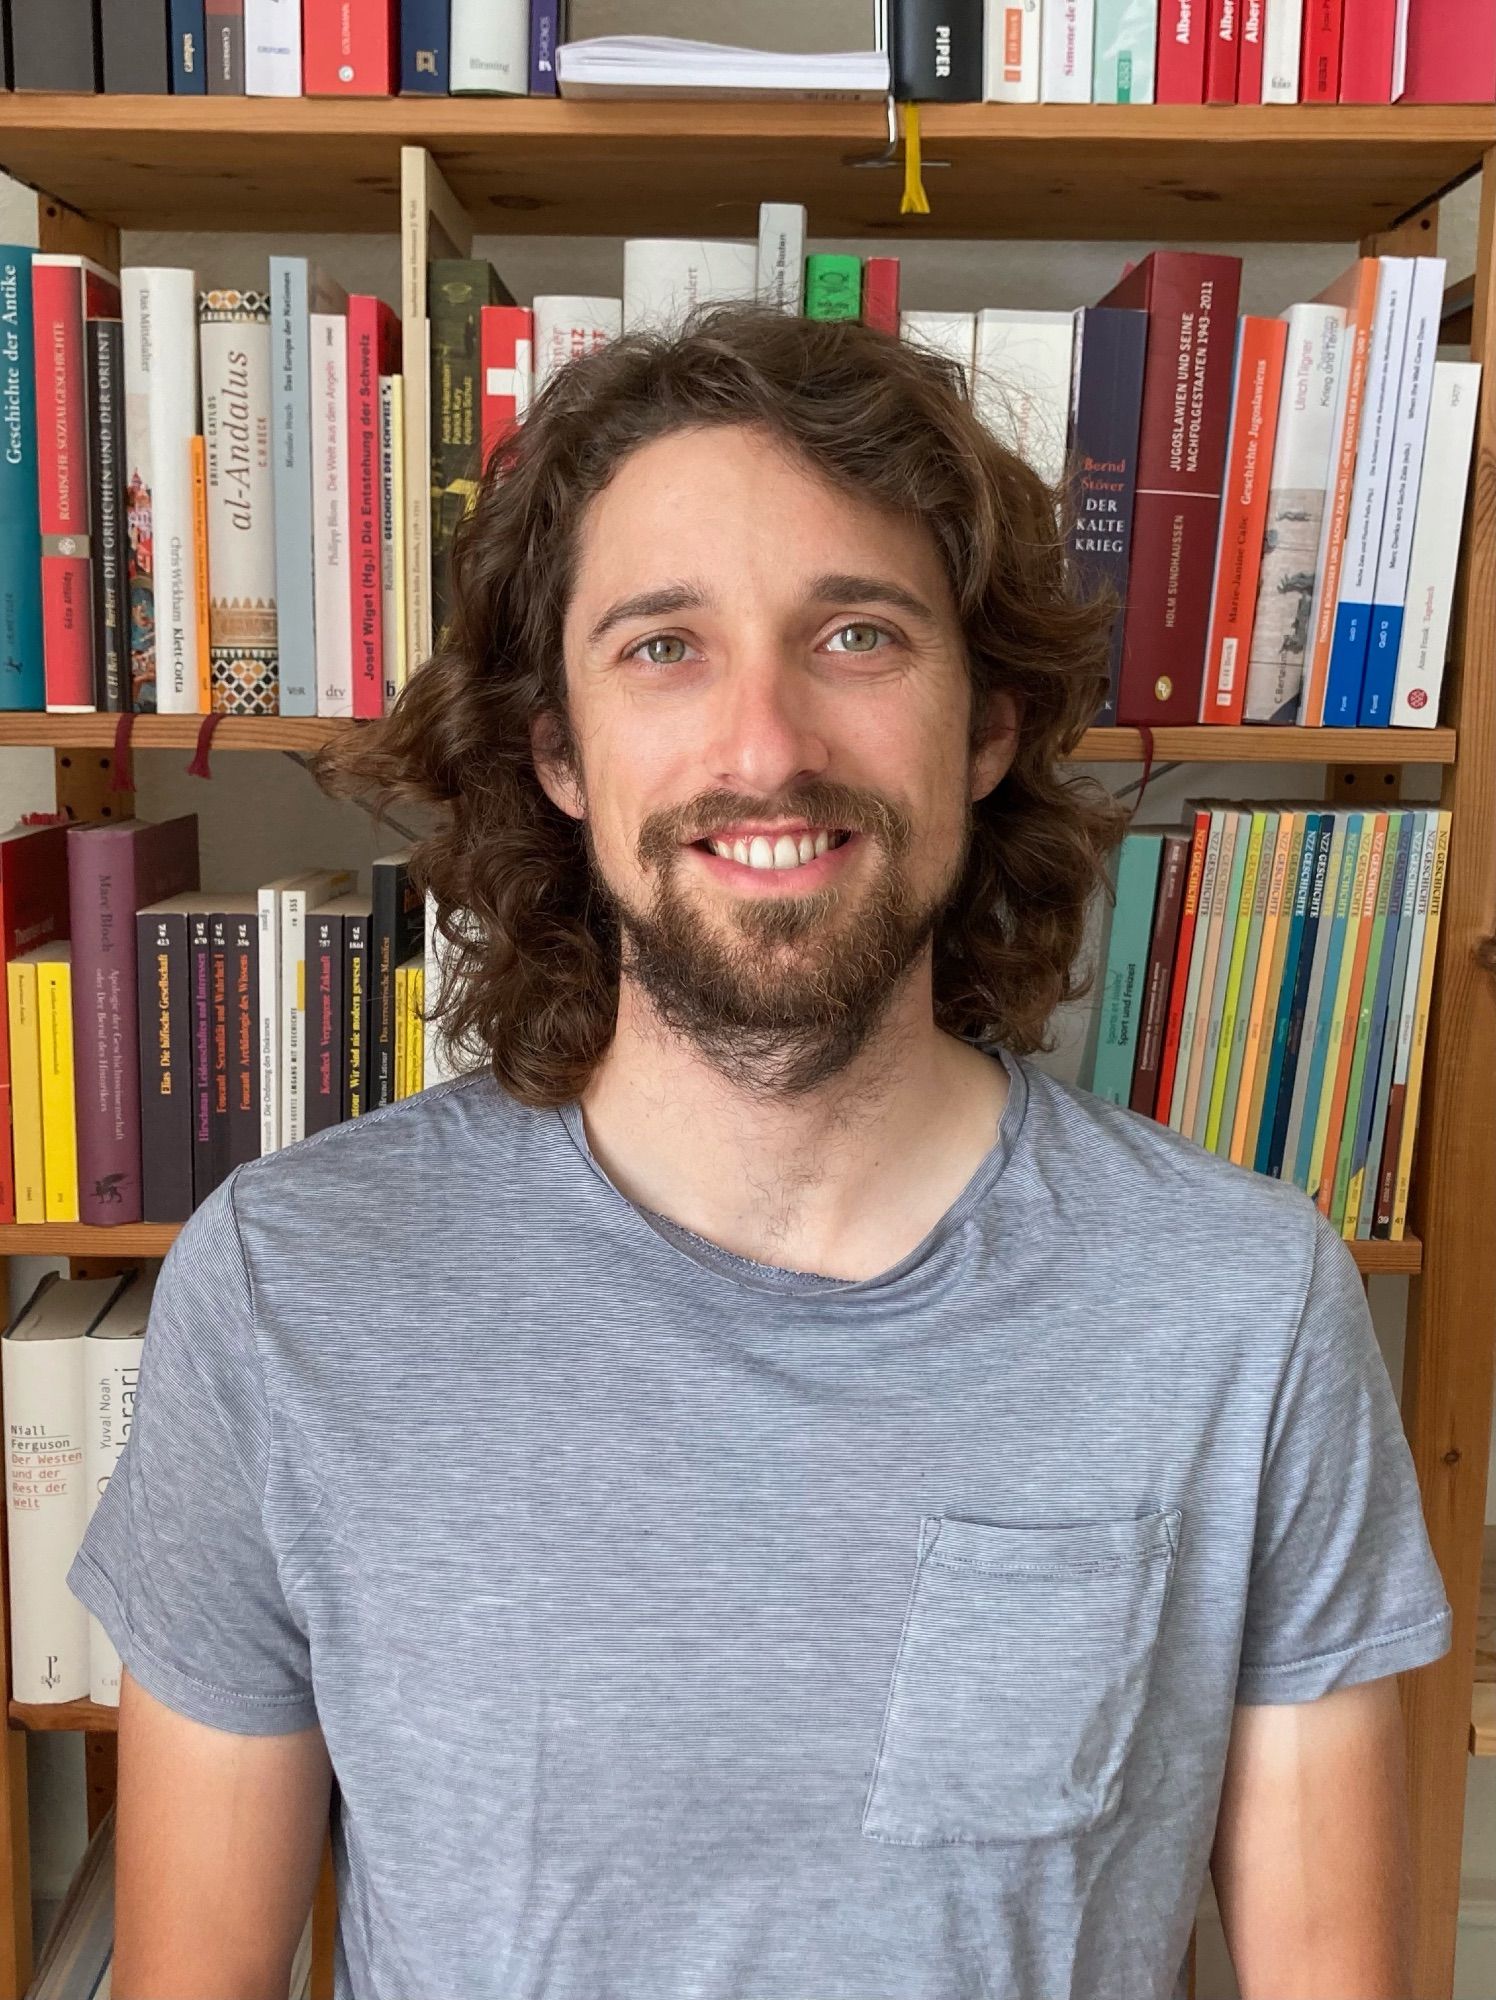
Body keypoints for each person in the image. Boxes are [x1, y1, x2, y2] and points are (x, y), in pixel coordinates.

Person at [69, 302, 1451, 2000]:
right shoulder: (289, 1294)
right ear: (556, 750)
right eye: (664, 646)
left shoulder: (1243, 1311)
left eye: (858, 636)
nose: (766, 747)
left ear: (990, 723)